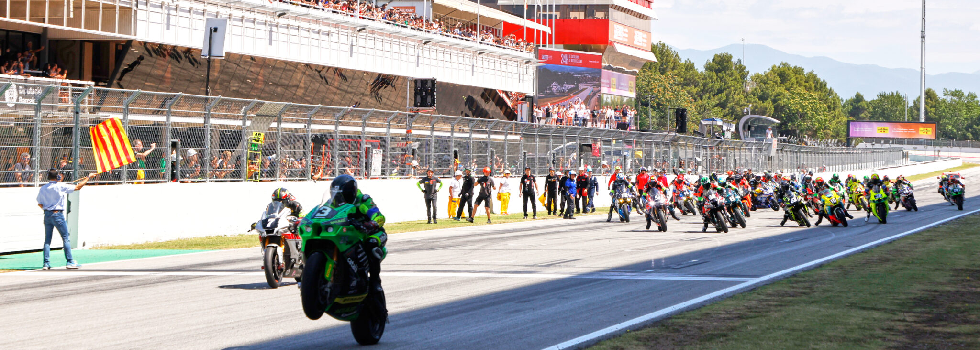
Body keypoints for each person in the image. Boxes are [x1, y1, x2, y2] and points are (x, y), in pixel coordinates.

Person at [324, 175, 387, 293]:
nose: (340, 198)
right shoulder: (331, 203)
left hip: (370, 233)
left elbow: (379, 216)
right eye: (336, 195)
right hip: (349, 234)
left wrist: (371, 224)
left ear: (351, 193)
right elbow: (322, 215)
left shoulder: (362, 200)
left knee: (371, 243)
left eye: (343, 195)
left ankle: (375, 281)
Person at [37, 169, 97, 269]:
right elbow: (78, 187)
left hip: (47, 214)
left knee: (47, 240)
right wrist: (88, 178)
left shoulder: (43, 188)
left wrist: (47, 210)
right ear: (57, 177)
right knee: (65, 238)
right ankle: (70, 261)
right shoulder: (60, 186)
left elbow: (39, 203)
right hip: (58, 214)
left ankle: (46, 263)